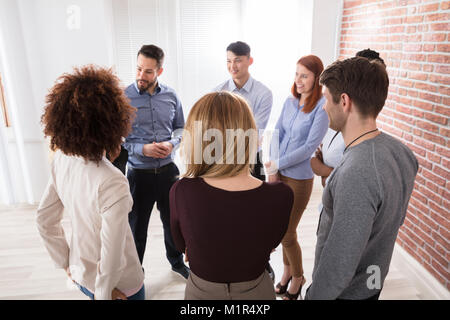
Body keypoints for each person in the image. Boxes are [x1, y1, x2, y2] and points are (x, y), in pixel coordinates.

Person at [305, 57, 418, 300]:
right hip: (373, 283)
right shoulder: (402, 152)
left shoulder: (357, 172)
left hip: (345, 294)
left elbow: (339, 264)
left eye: (326, 99)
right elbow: (393, 221)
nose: (323, 107)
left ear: (344, 101)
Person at [170, 92, 293, 300]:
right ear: (250, 135)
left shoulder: (182, 191)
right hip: (257, 293)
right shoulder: (281, 195)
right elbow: (271, 244)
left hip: (201, 293)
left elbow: (182, 246)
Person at [36, 65, 145, 300]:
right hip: (121, 287)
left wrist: (66, 263)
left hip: (82, 276)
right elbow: (112, 254)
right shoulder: (113, 181)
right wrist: (105, 294)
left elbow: (44, 220)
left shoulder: (62, 159)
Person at [265, 55, 329, 300]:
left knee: (287, 232)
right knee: (281, 228)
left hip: (299, 179)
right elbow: (277, 132)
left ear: (317, 78)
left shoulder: (321, 108)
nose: (299, 80)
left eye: (305, 75)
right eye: (296, 74)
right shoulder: (290, 102)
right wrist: (273, 167)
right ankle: (287, 272)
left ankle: (299, 277)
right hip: (279, 173)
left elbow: (308, 148)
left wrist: (278, 163)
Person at [123, 44, 189, 279]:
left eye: (148, 71)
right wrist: (142, 149)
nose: (141, 75)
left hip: (168, 172)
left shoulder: (171, 96)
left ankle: (176, 263)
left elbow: (181, 128)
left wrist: (172, 143)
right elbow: (118, 139)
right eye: (139, 69)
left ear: (160, 71)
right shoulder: (123, 97)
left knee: (173, 223)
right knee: (136, 228)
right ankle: (134, 272)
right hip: (138, 175)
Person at [214, 41, 275, 281]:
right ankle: (230, 258)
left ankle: (260, 262)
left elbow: (253, 132)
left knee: (254, 214)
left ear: (249, 60)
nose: (233, 66)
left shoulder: (263, 93)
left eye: (238, 60)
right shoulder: (218, 91)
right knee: (226, 214)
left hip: (251, 161)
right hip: (223, 161)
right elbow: (215, 130)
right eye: (229, 61)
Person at [310, 49, 385, 187]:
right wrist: (329, 171)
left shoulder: (364, 156)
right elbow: (315, 159)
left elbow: (336, 182)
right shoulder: (336, 123)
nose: (324, 107)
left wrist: (327, 173)